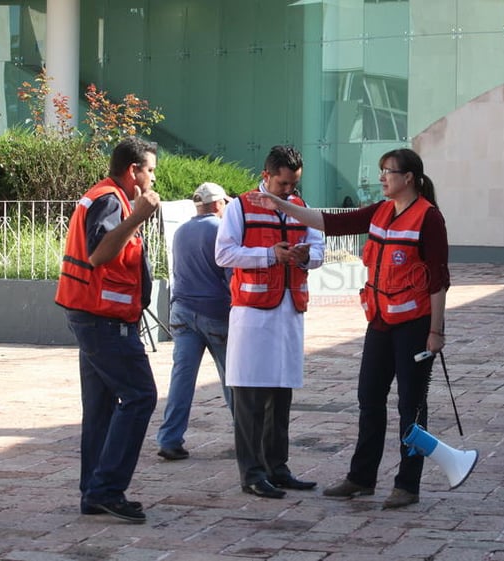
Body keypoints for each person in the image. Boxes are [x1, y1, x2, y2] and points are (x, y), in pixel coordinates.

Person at [247, 148, 449, 510]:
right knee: (369, 399)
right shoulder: (381, 211)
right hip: (380, 321)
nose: (382, 177)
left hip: (415, 326)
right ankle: (361, 478)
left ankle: (408, 484)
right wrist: (281, 204)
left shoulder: (428, 218)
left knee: (410, 406)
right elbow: (329, 222)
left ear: (409, 179)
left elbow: (438, 280)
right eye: (382, 170)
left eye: (389, 171)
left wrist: (437, 331)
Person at [55, 137, 160, 524]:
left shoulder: (105, 196)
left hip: (94, 315)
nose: (152, 179)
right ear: (133, 171)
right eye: (150, 170)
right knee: (139, 396)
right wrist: (138, 216)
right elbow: (100, 254)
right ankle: (107, 489)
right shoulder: (112, 200)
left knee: (100, 407)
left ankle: (94, 491)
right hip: (103, 320)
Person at [215, 145, 325, 499]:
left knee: (281, 393)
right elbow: (224, 253)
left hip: (289, 311)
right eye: (283, 184)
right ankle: (252, 472)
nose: (289, 191)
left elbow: (319, 247)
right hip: (252, 314)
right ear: (266, 176)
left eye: (293, 184)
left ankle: (278, 467)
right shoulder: (240, 207)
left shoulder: (301, 209)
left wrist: (307, 257)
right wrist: (269, 255)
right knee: (249, 395)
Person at [157, 182, 234, 461]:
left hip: (182, 311)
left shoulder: (181, 231)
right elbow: (230, 277)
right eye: (224, 203)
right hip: (215, 312)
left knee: (181, 379)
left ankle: (169, 439)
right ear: (217, 205)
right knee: (232, 379)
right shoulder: (221, 230)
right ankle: (246, 437)